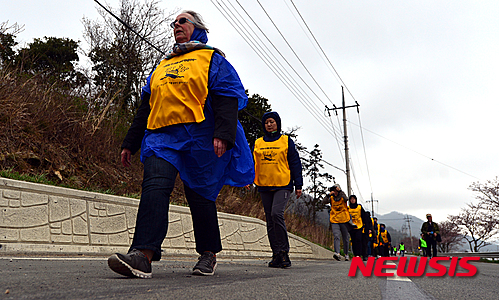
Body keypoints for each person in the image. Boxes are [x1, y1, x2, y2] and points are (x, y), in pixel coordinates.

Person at [107, 10, 255, 278]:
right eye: (173, 23)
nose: (176, 25)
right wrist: (131, 142)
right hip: (162, 137)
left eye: (182, 21)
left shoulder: (212, 59)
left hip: (201, 138)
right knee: (155, 185)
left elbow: (227, 96)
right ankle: (143, 255)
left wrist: (223, 133)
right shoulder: (162, 65)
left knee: (200, 197)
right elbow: (147, 107)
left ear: (197, 27)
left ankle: (208, 254)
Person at [252, 111, 303, 268]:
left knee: (276, 214)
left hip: (283, 183)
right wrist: (247, 179)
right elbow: (252, 162)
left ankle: (284, 253)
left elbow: (295, 162)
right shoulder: (258, 142)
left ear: (278, 123)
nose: (269, 124)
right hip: (264, 184)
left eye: (272, 121)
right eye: (267, 121)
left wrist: (298, 184)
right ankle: (275, 254)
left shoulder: (286, 141)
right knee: (269, 220)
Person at [323, 184, 350, 261]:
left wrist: (340, 191)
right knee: (336, 236)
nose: (334, 192)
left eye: (336, 190)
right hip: (334, 219)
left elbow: (346, 199)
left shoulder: (342, 197)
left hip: (344, 219)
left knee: (345, 238)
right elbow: (324, 202)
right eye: (333, 190)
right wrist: (328, 195)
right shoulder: (331, 198)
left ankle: (346, 254)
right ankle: (337, 253)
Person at [348, 195, 371, 259]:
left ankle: (359, 254)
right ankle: (355, 254)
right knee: (353, 241)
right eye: (351, 199)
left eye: (353, 199)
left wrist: (366, 226)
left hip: (359, 226)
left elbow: (364, 217)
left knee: (359, 240)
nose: (352, 200)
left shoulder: (359, 207)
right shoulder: (348, 208)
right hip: (351, 227)